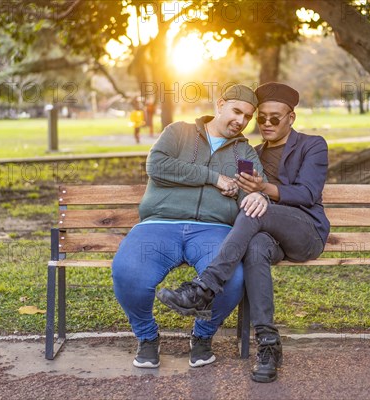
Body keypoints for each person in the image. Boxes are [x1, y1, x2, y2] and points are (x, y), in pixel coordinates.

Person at [157, 82, 330, 383]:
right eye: (260, 117)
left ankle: (205, 288)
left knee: (254, 211)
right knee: (254, 247)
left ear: (291, 117)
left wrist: (262, 190)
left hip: (305, 232)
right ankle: (268, 343)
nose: (266, 123)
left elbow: (308, 193)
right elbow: (241, 193)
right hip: (268, 237)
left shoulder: (312, 145)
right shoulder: (250, 152)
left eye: (275, 117)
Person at [112, 84, 270, 369]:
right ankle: (147, 337)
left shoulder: (243, 154)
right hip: (160, 224)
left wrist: (258, 194)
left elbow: (250, 190)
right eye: (236, 111)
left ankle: (203, 336)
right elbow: (158, 166)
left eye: (248, 116)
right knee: (129, 272)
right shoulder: (179, 132)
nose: (241, 121)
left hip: (214, 229)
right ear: (220, 104)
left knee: (232, 280)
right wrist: (214, 178)